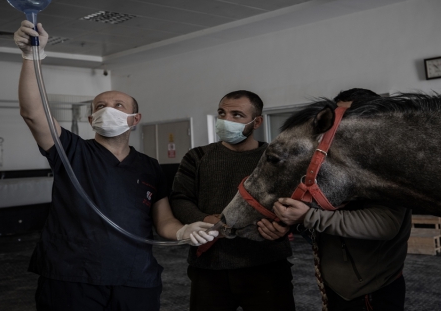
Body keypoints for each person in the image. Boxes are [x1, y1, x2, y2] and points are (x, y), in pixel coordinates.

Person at [14, 20, 217, 311]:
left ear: (136, 119)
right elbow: (33, 114)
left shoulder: (149, 166)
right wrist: (31, 57)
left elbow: (163, 222)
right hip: (73, 278)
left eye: (118, 105)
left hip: (134, 277)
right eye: (99, 106)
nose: (107, 109)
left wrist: (184, 232)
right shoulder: (72, 151)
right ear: (90, 120)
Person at [272, 88, 412, 311]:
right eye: (335, 119)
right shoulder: (332, 166)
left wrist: (308, 215)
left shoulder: (387, 168)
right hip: (336, 287)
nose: (336, 127)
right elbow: (322, 217)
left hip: (371, 291)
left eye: (345, 119)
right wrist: (293, 222)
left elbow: (385, 224)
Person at [169, 90, 296, 311]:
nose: (226, 120)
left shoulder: (276, 160)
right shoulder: (197, 157)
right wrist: (207, 220)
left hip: (266, 263)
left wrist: (284, 227)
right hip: (209, 263)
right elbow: (180, 199)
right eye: (222, 113)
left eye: (237, 115)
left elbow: (295, 203)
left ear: (256, 122)